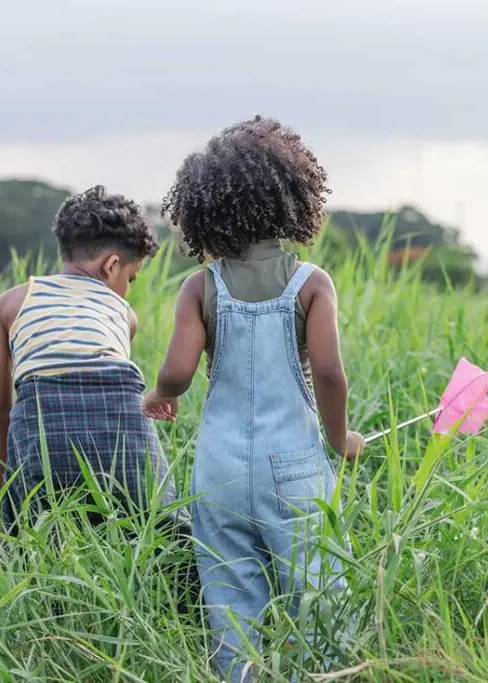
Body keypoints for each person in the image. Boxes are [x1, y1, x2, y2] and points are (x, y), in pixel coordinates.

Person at [143, 115, 363, 681]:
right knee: (319, 600)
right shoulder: (310, 283)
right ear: (292, 199)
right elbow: (331, 373)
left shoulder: (201, 286)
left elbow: (176, 370)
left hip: (217, 470)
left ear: (205, 210)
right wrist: (341, 439)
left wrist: (160, 396)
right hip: (294, 467)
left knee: (230, 604)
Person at [0, 185, 192, 565]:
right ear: (111, 266)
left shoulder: (8, 304)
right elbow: (101, 389)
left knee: (32, 535)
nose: (127, 290)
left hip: (40, 425)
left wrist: (0, 503)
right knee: (165, 527)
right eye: (131, 279)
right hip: (121, 425)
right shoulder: (124, 315)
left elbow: (0, 412)